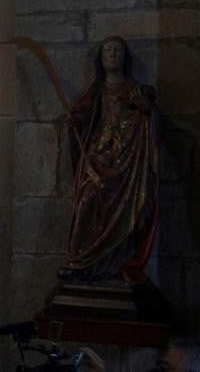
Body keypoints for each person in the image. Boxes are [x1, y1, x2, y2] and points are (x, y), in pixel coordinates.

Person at [59, 36, 160, 282]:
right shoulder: (95, 92)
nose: (113, 54)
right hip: (96, 157)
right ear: (101, 58)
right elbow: (83, 119)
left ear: (125, 57)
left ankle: (117, 261)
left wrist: (145, 109)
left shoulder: (135, 89)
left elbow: (151, 122)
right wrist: (75, 123)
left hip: (125, 161)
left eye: (117, 50)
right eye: (108, 50)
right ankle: (79, 259)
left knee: (126, 207)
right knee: (88, 199)